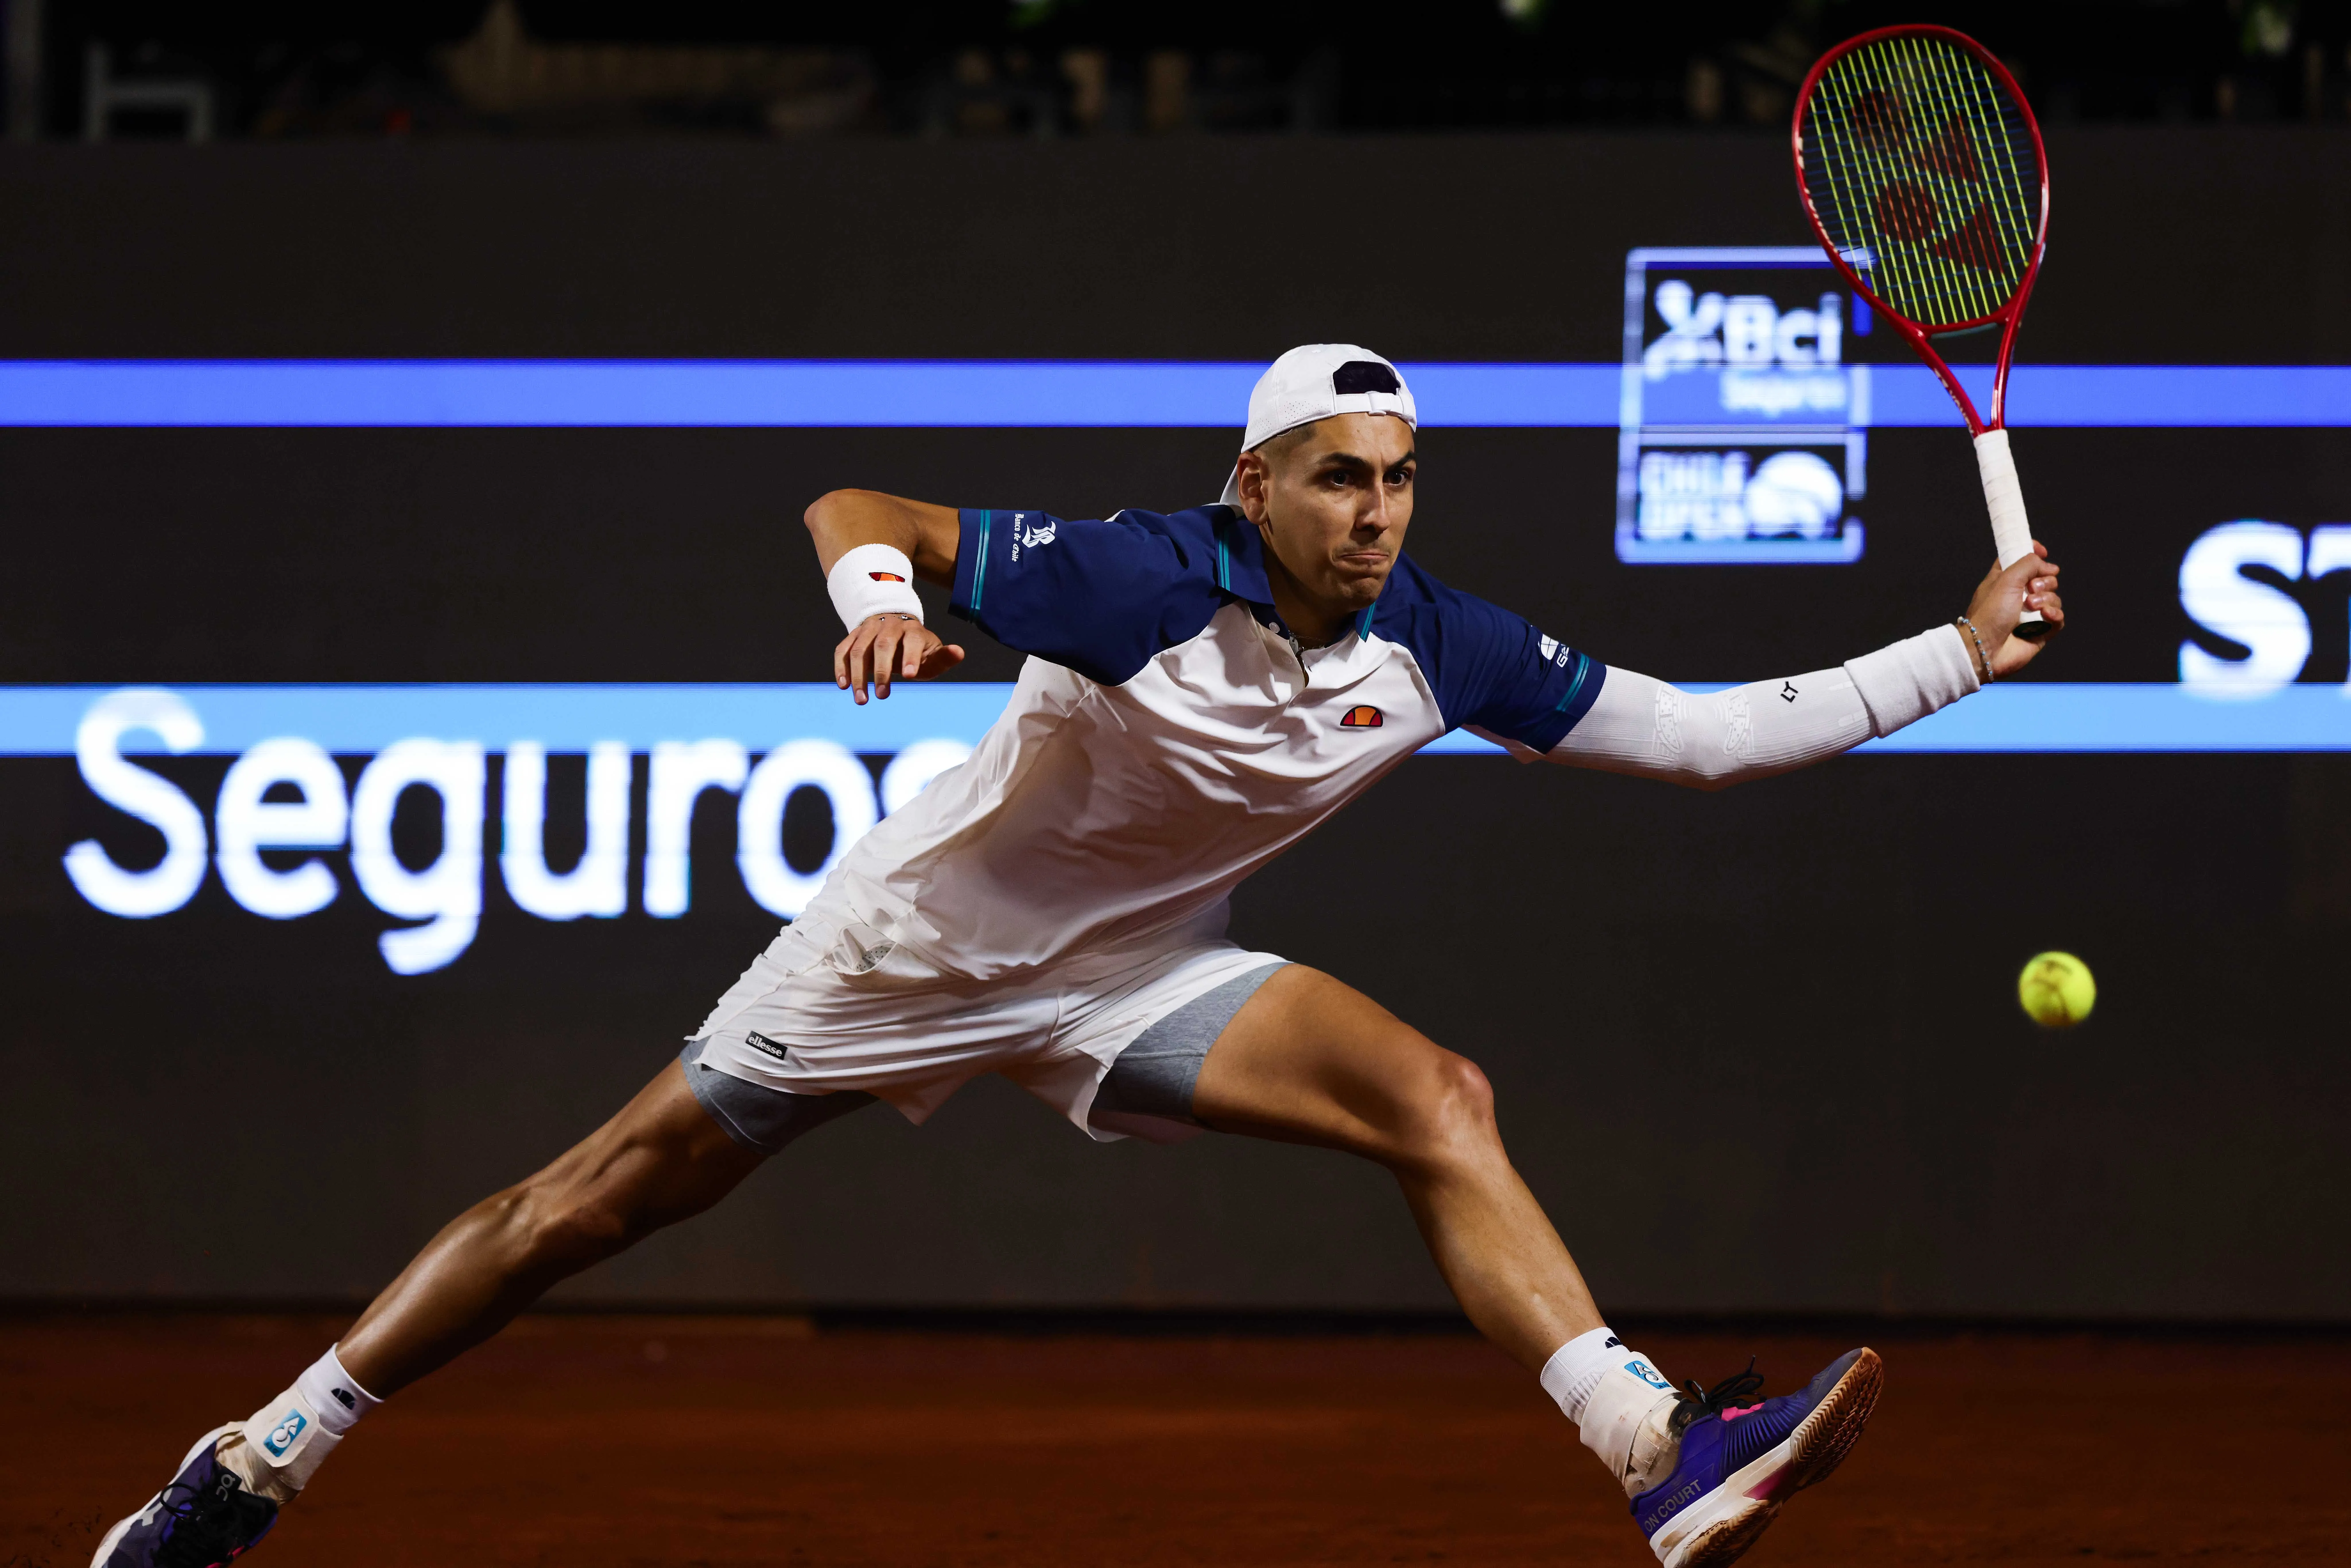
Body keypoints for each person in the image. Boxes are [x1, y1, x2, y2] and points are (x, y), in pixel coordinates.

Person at [96, 344, 2063, 1568]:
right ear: (1255, 484)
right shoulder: (1139, 574)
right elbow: (858, 503)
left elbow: (1706, 741)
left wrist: (1961, 652)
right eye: (1340, 476)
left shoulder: (1442, 642)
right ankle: (261, 1459)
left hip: (1135, 972)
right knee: (581, 1206)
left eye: (1399, 478)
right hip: (903, 955)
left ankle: (1654, 1446)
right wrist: (881, 597)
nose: (1377, 513)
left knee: (1436, 1095)